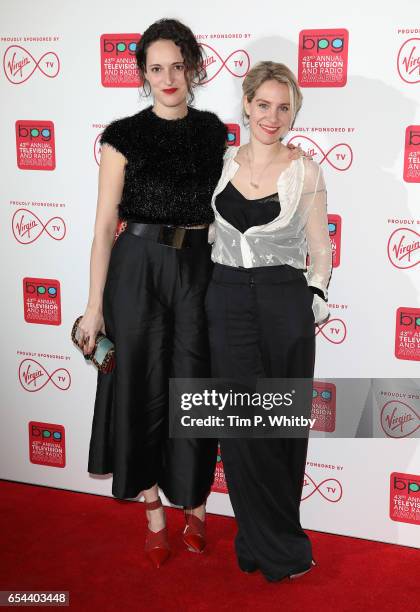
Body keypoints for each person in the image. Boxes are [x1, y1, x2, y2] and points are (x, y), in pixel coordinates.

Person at [77, 19, 227, 568]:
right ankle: (154, 514)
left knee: (195, 385)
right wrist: (94, 307)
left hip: (197, 268)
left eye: (177, 65)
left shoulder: (214, 132)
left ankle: (198, 508)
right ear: (142, 73)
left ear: (193, 67)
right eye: (156, 68)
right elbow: (101, 228)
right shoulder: (122, 135)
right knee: (138, 387)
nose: (168, 77)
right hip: (135, 269)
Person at [205, 61, 332, 582]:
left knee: (279, 427)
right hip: (226, 297)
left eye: (284, 108)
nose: (272, 116)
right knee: (239, 427)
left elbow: (320, 250)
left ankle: (281, 544)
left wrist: (316, 295)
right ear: (247, 104)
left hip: (284, 301)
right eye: (264, 105)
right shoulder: (221, 163)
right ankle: (257, 540)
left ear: (293, 112)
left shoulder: (305, 170)